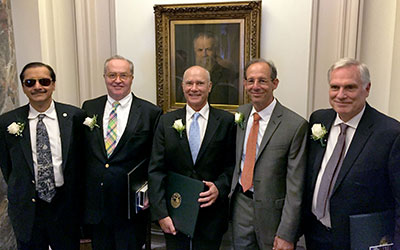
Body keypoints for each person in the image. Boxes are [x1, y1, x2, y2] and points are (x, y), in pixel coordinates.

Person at [303, 58, 400, 250]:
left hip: (359, 239)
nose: (340, 95)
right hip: (315, 234)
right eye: (334, 87)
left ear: (367, 89)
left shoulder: (390, 133)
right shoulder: (319, 120)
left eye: (350, 87)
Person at [149, 65, 235, 250]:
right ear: (182, 86)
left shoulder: (226, 121)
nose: (194, 88)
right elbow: (156, 169)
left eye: (200, 83)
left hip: (211, 214)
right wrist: (161, 214)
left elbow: (232, 166)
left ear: (210, 86)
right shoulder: (166, 121)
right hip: (175, 211)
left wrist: (219, 188)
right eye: (189, 83)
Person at [0, 62, 85, 249]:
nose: (38, 87)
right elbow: (7, 166)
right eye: (30, 82)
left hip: (65, 205)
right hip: (28, 207)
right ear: (23, 87)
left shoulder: (75, 117)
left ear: (53, 84)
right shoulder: (7, 122)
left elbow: (81, 162)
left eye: (44, 81)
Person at [82, 55, 162, 250]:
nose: (117, 80)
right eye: (112, 75)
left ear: (132, 78)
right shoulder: (89, 107)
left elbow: (156, 160)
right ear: (104, 77)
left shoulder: (151, 112)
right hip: (98, 204)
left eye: (123, 75)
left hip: (131, 204)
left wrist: (149, 193)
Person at [229, 59, 308, 250]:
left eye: (262, 81)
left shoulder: (295, 125)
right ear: (245, 84)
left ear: (275, 83)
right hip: (241, 205)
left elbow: (295, 186)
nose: (255, 86)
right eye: (251, 81)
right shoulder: (240, 114)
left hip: (274, 215)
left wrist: (287, 232)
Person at [177, 32, 238, 105]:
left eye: (208, 49)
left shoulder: (227, 74)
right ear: (194, 51)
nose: (204, 54)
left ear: (216, 51)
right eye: (200, 50)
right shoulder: (185, 74)